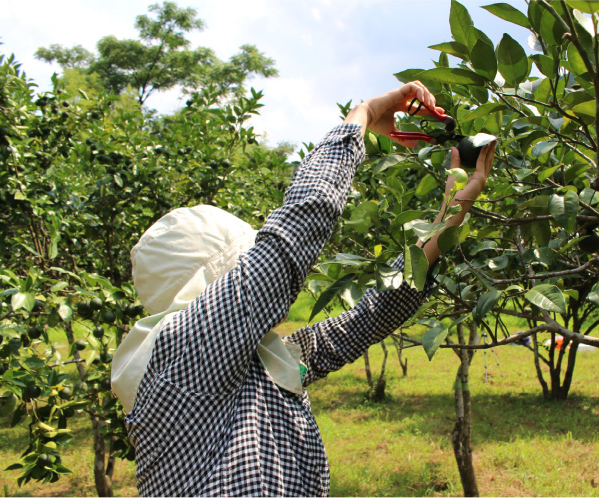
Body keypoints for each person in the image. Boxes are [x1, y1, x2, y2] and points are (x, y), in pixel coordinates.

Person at [111, 81, 496, 496]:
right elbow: (298, 226)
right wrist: (360, 117)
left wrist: (452, 211)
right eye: (242, 266)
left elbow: (365, 320)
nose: (254, 274)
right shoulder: (183, 355)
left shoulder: (257, 365)